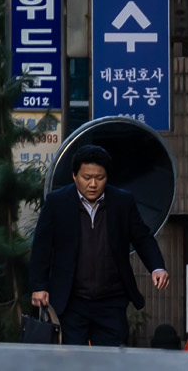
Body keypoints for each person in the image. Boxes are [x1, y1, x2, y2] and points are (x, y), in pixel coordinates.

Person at [29, 144, 169, 347]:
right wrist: (38, 286)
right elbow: (42, 246)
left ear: (107, 177)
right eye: (86, 178)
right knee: (72, 359)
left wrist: (157, 266)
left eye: (100, 178)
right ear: (74, 175)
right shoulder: (57, 202)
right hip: (71, 300)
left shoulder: (122, 202)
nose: (93, 184)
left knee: (111, 360)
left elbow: (142, 237)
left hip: (111, 300)